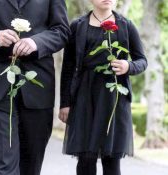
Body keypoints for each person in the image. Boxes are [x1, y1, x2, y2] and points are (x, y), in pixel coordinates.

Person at [0, 0, 70, 174]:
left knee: (31, 164)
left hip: (39, 85)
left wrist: (36, 43)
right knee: (3, 165)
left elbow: (61, 31)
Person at [59, 0, 147, 174]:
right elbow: (68, 67)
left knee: (112, 160)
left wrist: (128, 66)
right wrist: (65, 103)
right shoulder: (77, 26)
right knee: (85, 159)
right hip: (84, 98)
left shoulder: (126, 26)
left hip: (114, 98)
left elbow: (142, 60)